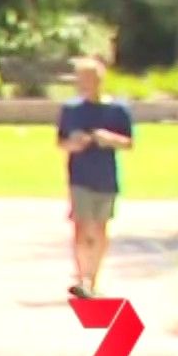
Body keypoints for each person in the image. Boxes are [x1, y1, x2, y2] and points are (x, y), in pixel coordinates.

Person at [56, 56, 135, 299]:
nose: (83, 83)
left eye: (88, 79)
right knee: (81, 227)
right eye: (80, 79)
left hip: (106, 176)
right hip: (79, 176)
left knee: (100, 229)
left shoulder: (117, 110)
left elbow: (129, 143)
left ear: (100, 80)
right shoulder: (71, 110)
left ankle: (94, 277)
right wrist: (75, 143)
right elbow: (61, 142)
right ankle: (82, 278)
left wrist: (109, 139)